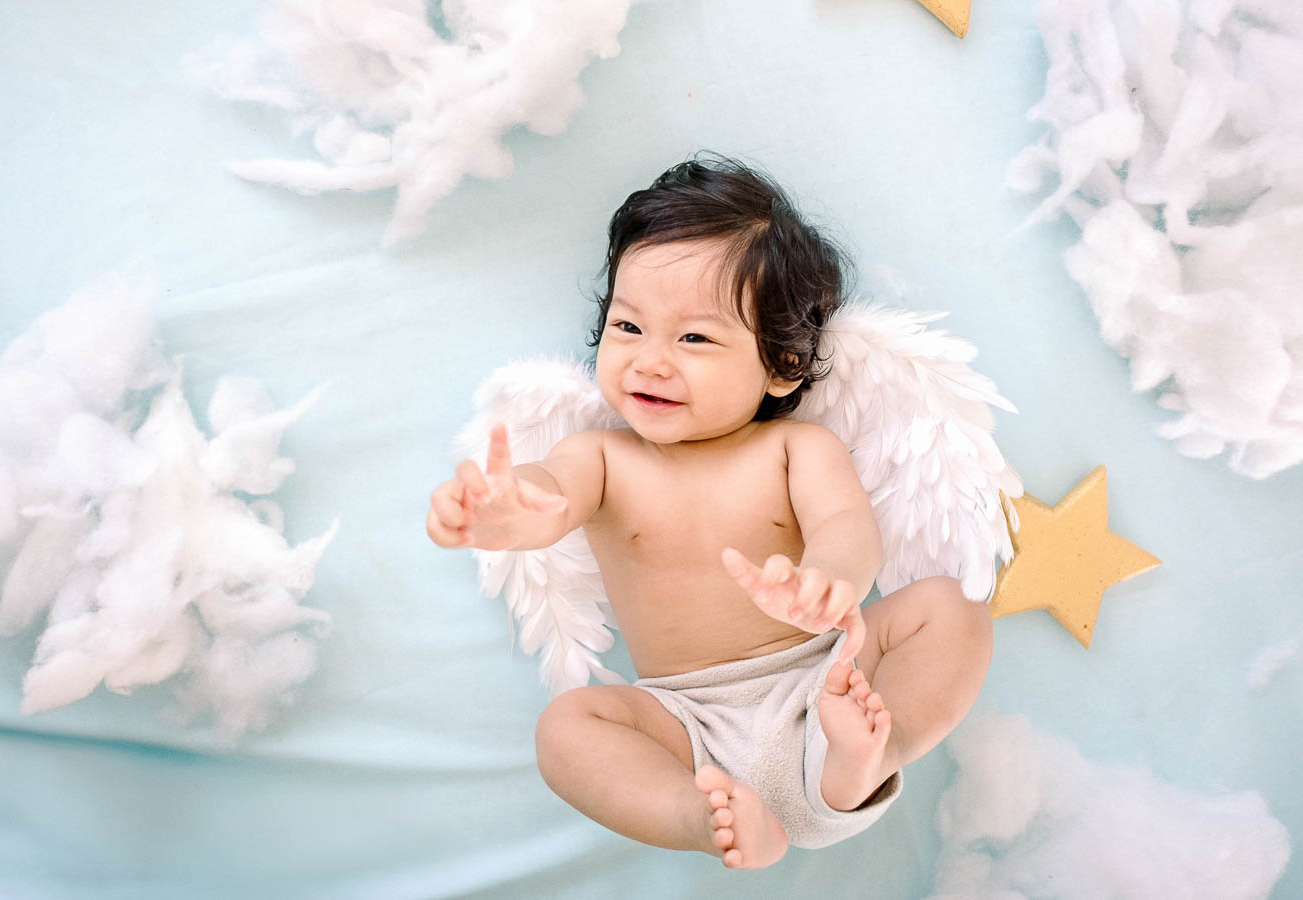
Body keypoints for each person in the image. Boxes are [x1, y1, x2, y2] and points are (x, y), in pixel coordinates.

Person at [425, 155, 993, 869]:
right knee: (568, 727)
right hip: (683, 723)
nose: (650, 361)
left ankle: (873, 750)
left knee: (949, 607)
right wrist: (502, 512)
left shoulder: (795, 448)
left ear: (784, 363)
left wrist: (828, 577)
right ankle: (699, 813)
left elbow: (848, 530)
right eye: (628, 327)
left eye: (693, 338)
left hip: (826, 687)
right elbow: (551, 496)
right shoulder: (603, 458)